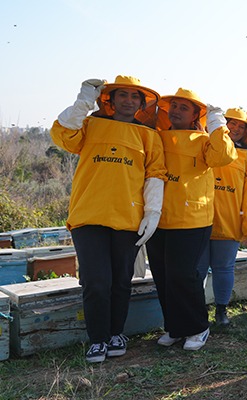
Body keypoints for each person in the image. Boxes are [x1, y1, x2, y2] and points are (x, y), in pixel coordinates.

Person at [50, 76, 166, 363]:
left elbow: (155, 175)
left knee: (120, 281)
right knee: (96, 281)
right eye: (122, 95)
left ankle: (116, 333)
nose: (128, 101)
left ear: (142, 103)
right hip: (88, 215)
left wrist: (152, 212)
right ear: (110, 100)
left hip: (128, 218)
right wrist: (83, 100)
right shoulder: (90, 124)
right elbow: (63, 132)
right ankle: (98, 339)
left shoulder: (149, 135)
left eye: (134, 96)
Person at [148, 88, 236, 351]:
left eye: (183, 108)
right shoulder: (160, 138)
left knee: (184, 276)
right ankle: (175, 327)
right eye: (173, 106)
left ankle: (198, 327)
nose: (176, 111)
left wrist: (218, 123)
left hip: (192, 218)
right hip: (159, 217)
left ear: (197, 115)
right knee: (163, 276)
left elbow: (224, 156)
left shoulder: (204, 140)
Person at [196, 108, 247, 326]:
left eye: (241, 126)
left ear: (245, 131)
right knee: (198, 269)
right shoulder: (205, 146)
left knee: (224, 267)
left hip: (230, 221)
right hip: (199, 219)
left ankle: (221, 311)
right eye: (231, 124)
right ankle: (197, 312)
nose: (235, 129)